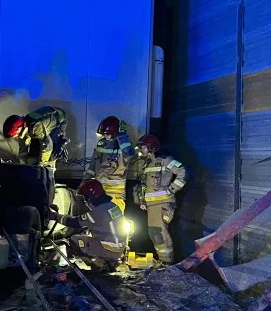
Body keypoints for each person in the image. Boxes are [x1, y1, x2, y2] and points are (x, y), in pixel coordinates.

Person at [45, 179, 126, 271]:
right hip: (118, 248)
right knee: (85, 233)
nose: (84, 200)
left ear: (90, 195)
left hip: (107, 249)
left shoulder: (99, 211)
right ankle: (109, 262)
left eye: (85, 197)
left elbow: (74, 222)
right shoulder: (112, 206)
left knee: (75, 239)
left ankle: (96, 265)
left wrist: (55, 216)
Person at [133, 134, 186, 265]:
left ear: (151, 147)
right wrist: (142, 200)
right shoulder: (148, 163)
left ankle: (167, 263)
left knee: (160, 234)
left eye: (143, 147)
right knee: (154, 233)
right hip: (152, 205)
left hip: (162, 204)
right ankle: (163, 261)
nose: (141, 150)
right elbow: (145, 184)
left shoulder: (166, 160)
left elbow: (182, 171)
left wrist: (172, 189)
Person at [83, 115, 134, 213]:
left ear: (115, 133)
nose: (104, 136)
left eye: (107, 134)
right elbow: (92, 166)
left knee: (116, 222)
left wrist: (122, 136)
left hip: (115, 194)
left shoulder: (123, 146)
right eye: (104, 134)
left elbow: (130, 153)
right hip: (98, 192)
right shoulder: (101, 144)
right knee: (97, 221)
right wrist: (84, 182)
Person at [2, 106, 69, 168]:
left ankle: (49, 170)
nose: (14, 137)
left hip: (60, 120)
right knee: (34, 151)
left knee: (52, 153)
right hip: (46, 119)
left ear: (18, 129)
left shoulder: (35, 127)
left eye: (14, 136)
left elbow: (48, 145)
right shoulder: (23, 126)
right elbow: (23, 148)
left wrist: (41, 165)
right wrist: (22, 165)